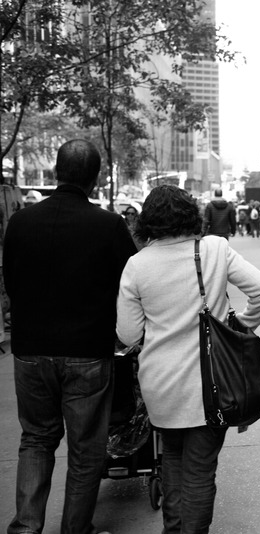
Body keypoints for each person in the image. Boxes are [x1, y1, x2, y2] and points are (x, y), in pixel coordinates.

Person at [116, 185, 260, 534]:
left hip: (161, 388)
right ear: (191, 214)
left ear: (147, 221)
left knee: (171, 459)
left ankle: (173, 529)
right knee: (200, 470)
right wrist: (239, 325)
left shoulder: (137, 265)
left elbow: (128, 335)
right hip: (211, 386)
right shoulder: (214, 249)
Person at [3, 139, 137, 534]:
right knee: (85, 449)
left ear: (57, 171)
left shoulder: (20, 223)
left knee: (36, 439)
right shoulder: (109, 225)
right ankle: (76, 530)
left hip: (30, 352)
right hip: (87, 352)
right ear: (96, 178)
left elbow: (11, 283)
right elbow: (130, 287)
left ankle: (26, 528)